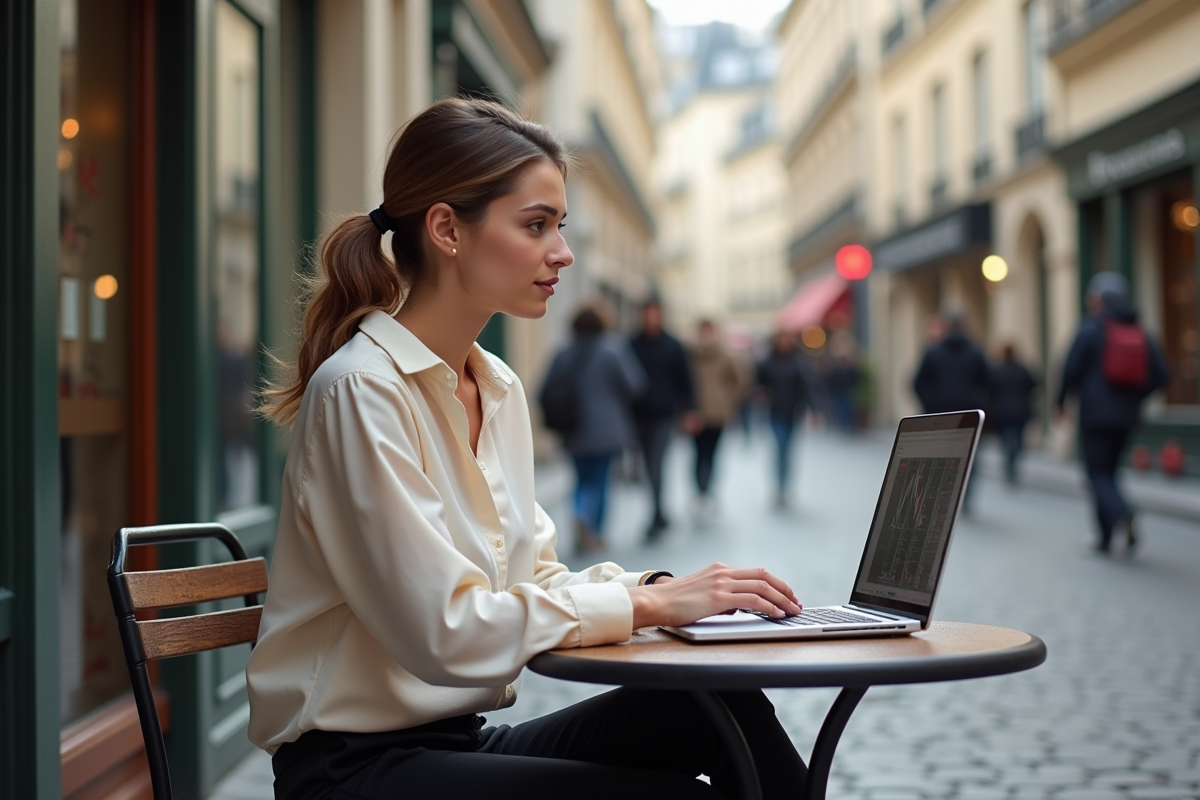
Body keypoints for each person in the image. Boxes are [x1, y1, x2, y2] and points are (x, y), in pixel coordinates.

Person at [247, 98, 806, 800]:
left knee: (718, 705)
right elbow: (446, 633)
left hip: (458, 742)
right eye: (536, 225)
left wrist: (656, 590)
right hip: (353, 772)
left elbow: (533, 579)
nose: (562, 252)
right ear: (447, 229)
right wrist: (652, 610)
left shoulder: (497, 387)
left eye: (559, 226)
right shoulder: (362, 389)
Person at [1055, 272, 1168, 554]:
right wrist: (1135, 397)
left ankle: (1122, 513)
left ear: (1098, 300)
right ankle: (1105, 536)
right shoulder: (1138, 331)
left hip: (1095, 415)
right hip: (1127, 416)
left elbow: (1070, 369)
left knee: (1097, 473)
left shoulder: (1091, 329)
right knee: (1109, 472)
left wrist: (1060, 402)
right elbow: (1161, 374)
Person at [540, 302, 645, 552]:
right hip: (607, 431)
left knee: (581, 480)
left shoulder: (564, 353)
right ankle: (594, 531)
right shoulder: (613, 350)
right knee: (601, 480)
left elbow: (543, 390)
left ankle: (580, 512)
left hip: (574, 430)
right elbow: (635, 385)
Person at [629, 298, 696, 540]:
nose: (652, 318)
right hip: (638, 416)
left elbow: (685, 380)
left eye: (655, 313)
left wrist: (690, 411)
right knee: (647, 467)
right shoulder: (632, 344)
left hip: (664, 415)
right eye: (648, 313)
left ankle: (656, 514)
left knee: (656, 465)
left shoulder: (673, 345)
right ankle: (658, 512)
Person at [912, 310, 990, 512]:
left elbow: (917, 383)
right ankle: (965, 496)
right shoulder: (975, 352)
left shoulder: (933, 352)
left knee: (941, 457)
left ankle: (945, 496)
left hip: (941, 417)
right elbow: (989, 384)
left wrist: (931, 406)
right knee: (969, 457)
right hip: (968, 415)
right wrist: (978, 404)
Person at [686, 319, 746, 519]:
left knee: (711, 455)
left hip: (718, 414)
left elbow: (740, 382)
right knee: (698, 454)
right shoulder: (690, 355)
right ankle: (700, 493)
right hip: (696, 413)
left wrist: (728, 401)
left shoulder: (725, 355)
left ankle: (708, 491)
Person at [756, 330, 818, 508]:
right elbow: (758, 383)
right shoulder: (768, 362)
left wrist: (814, 410)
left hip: (793, 412)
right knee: (781, 448)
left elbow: (807, 387)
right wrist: (761, 394)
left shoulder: (798, 362)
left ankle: (785, 486)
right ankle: (780, 487)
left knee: (788, 451)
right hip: (775, 412)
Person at [990, 342, 1039, 485]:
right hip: (1020, 410)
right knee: (1019, 438)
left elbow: (990, 390)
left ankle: (1009, 461)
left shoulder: (997, 371)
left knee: (1005, 439)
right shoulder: (1022, 370)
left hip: (1002, 411)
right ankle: (1013, 460)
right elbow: (1033, 385)